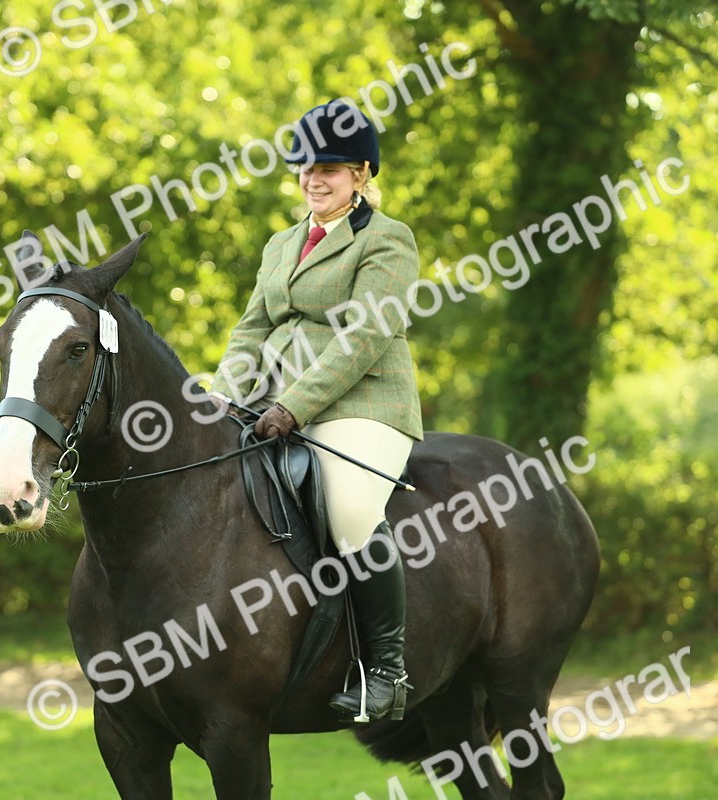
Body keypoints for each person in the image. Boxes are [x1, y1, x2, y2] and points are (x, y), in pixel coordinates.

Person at [208, 99, 424, 722]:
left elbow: (364, 337)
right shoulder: (282, 243)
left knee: (353, 510)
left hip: (364, 404)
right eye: (304, 165)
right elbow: (251, 330)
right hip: (268, 401)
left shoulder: (386, 240)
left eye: (329, 168)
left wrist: (294, 407)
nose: (313, 177)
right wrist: (224, 396)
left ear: (361, 174)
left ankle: (387, 672)